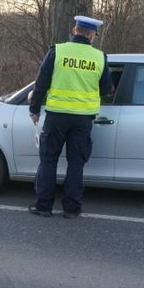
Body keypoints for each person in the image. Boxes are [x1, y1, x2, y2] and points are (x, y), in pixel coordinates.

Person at [28, 15, 113, 219]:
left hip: (57, 116)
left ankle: (44, 207)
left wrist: (34, 109)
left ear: (75, 30)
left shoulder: (57, 51)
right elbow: (105, 89)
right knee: (76, 163)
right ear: (92, 35)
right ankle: (72, 209)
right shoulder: (100, 57)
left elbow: (41, 83)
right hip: (83, 119)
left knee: (49, 161)